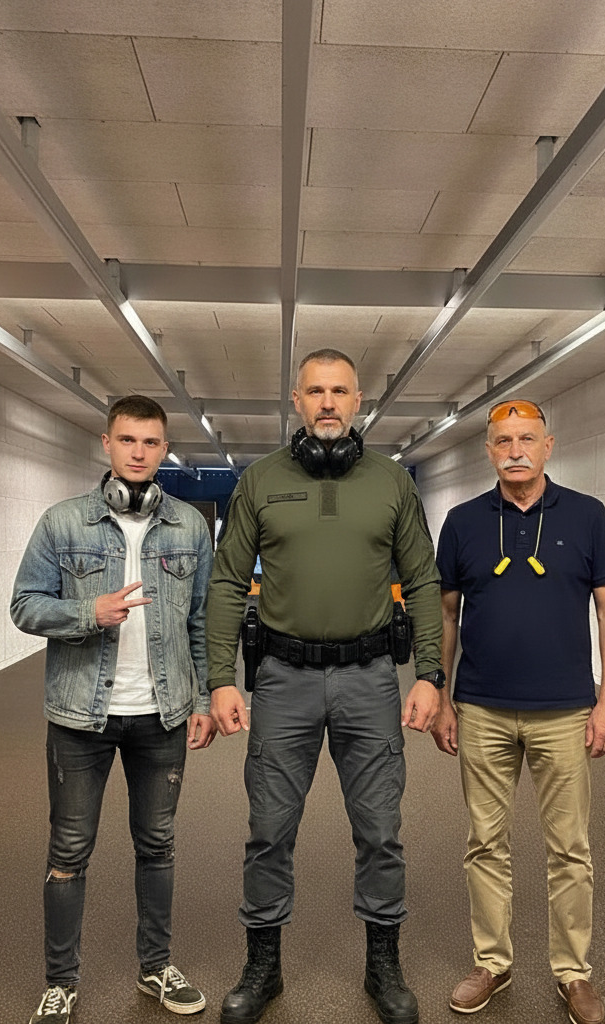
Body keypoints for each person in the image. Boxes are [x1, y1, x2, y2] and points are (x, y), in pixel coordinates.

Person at [206, 349, 445, 1024]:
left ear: (359, 399)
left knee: (380, 830)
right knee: (268, 829)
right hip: (283, 681)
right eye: (316, 391)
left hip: (370, 680)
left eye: (340, 390)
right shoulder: (259, 480)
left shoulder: (391, 482)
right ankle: (263, 967)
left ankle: (383, 965)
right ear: (297, 400)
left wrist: (430, 674)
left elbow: (423, 580)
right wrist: (220, 680)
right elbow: (227, 582)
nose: (329, 402)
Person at [11, 395, 215, 1024]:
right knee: (69, 850)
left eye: (151, 443)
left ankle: (155, 969)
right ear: (107, 443)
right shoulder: (62, 522)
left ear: (165, 449)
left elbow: (201, 621)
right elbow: (24, 605)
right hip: (81, 716)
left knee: (157, 845)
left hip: (162, 713)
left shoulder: (189, 526)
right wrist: (86, 612)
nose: (139, 453)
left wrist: (203, 698)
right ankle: (61, 983)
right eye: (128, 440)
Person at [431, 399, 605, 1024]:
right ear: (488, 450)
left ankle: (573, 972)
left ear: (548, 445)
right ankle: (492, 962)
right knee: (485, 843)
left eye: (526, 439)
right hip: (481, 709)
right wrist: (442, 695)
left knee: (569, 848)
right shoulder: (462, 522)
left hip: (564, 710)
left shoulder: (588, 516)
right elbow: (446, 615)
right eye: (503, 440)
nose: (515, 450)